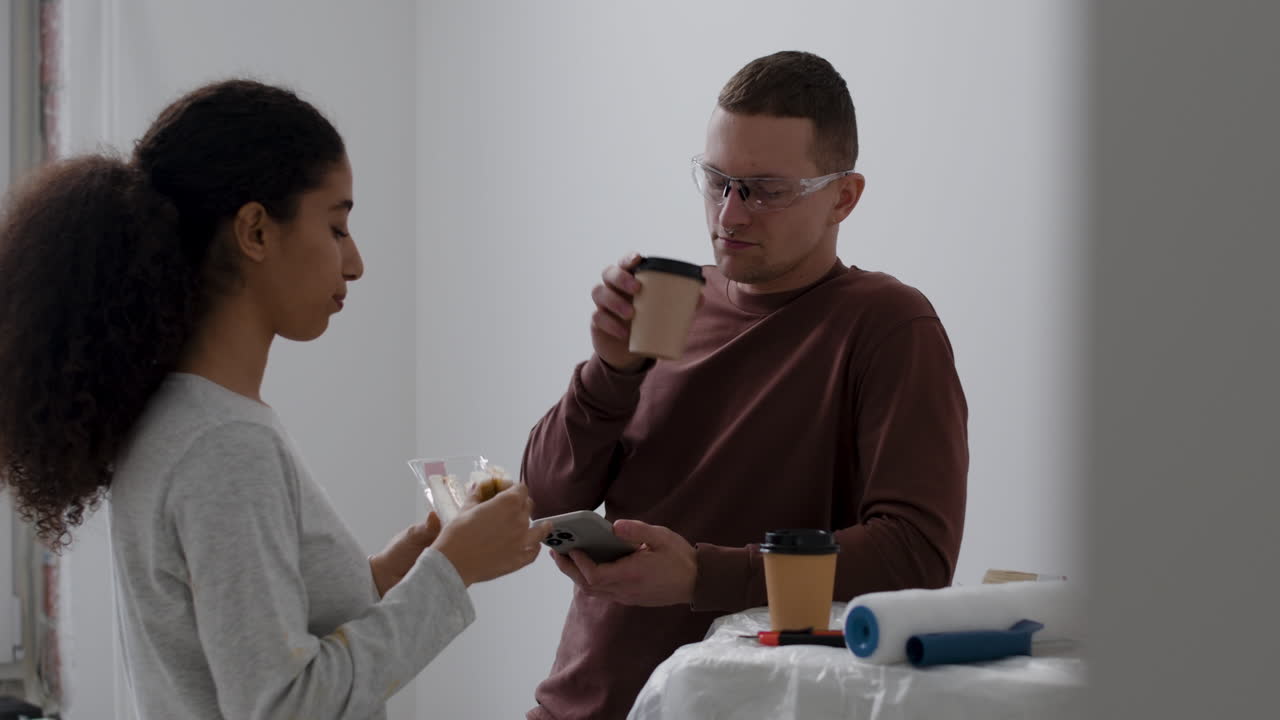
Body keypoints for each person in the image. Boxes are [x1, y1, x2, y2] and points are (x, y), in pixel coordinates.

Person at [0, 79, 548, 719]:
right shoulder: (224, 446)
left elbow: (256, 642)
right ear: (256, 231)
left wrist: (387, 576)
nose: (356, 263)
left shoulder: (183, 420)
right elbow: (283, 706)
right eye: (337, 226)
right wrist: (451, 573)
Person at [522, 51, 969, 719]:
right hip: (582, 705)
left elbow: (917, 554)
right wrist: (608, 373)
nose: (729, 215)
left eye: (764, 189)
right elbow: (546, 498)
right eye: (716, 180)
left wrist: (704, 576)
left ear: (843, 197)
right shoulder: (671, 300)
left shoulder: (886, 324)